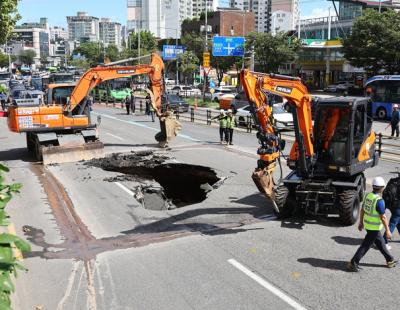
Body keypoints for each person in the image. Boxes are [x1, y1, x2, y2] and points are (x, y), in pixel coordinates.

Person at [347, 177, 397, 272]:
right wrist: (388, 230)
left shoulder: (368, 196)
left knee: (381, 243)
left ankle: (390, 260)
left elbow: (362, 210)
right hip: (373, 228)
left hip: (369, 226)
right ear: (382, 188)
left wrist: (361, 222)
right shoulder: (379, 201)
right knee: (365, 246)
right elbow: (383, 217)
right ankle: (353, 263)